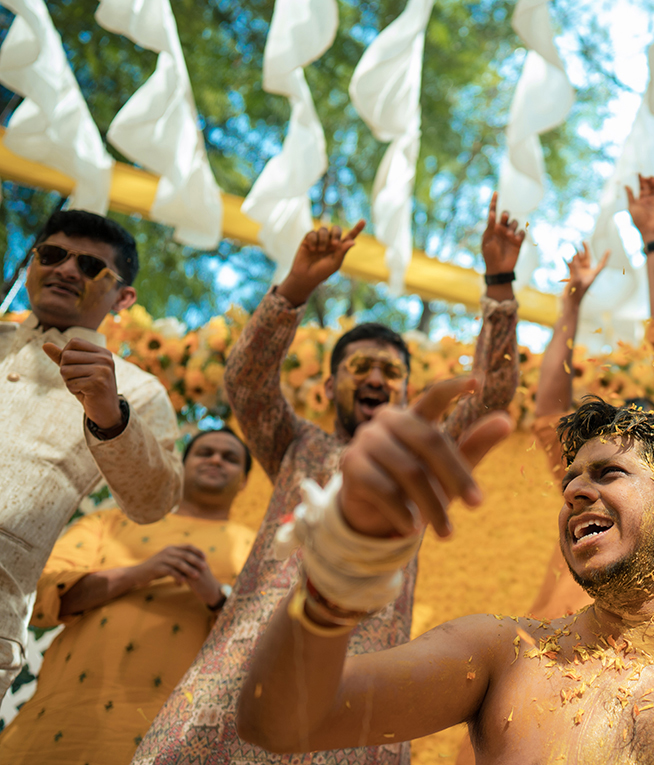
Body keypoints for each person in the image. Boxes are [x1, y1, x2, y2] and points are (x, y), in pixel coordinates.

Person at [235, 391, 654, 764]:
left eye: (609, 474)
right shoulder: (503, 657)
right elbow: (277, 721)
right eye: (569, 483)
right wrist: (340, 570)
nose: (577, 492)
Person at [133, 199, 523, 765]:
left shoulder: (418, 463)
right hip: (238, 670)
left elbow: (491, 392)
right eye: (358, 366)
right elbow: (245, 381)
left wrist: (501, 285)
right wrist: (293, 288)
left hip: (354, 683)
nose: (374, 377)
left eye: (390, 372)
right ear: (327, 388)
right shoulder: (298, 444)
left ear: (408, 395)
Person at [0, 210, 181, 698]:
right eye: (53, 255)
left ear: (123, 297)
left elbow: (155, 500)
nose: (65, 270)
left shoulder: (138, 390)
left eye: (89, 266)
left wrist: (109, 412)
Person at [0, 428, 255, 763]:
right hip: (60, 715)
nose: (216, 460)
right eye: (205, 452)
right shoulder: (110, 522)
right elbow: (41, 596)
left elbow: (266, 647)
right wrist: (142, 571)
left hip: (176, 732)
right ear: (181, 464)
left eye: (230, 457)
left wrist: (218, 598)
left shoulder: (260, 547)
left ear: (245, 481)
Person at [529, 174, 654, 621]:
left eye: (616, 470)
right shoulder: (585, 471)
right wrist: (569, 307)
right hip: (558, 650)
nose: (580, 491)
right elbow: (549, 413)